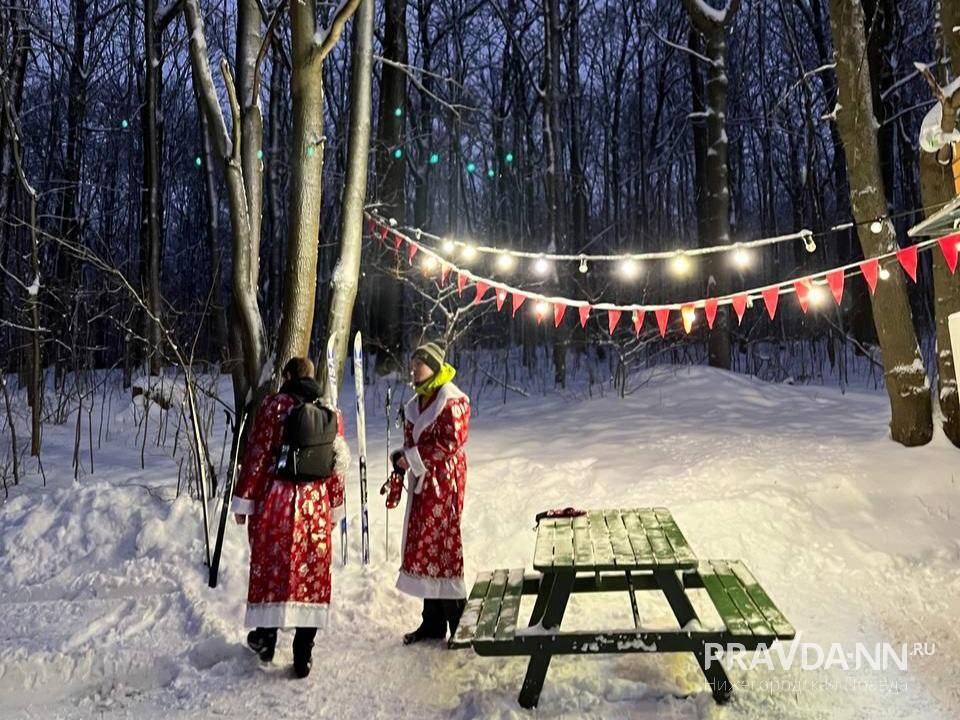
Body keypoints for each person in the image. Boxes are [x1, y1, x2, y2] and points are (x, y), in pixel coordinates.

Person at [231, 357, 348, 677]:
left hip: (277, 501)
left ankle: (266, 638)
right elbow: (338, 465)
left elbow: (257, 454)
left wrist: (244, 501)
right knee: (311, 573)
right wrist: (335, 507)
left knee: (272, 567)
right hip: (315, 504)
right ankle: (303, 650)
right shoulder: (331, 411)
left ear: (287, 376)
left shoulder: (273, 408)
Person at [392, 341, 471, 645]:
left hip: (445, 483)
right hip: (424, 482)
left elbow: (450, 442)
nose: (413, 370)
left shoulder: (453, 400)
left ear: (434, 366)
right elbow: (413, 440)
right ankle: (433, 623)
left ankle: (459, 624)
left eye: (419, 364)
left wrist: (411, 457)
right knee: (426, 546)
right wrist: (403, 459)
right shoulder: (417, 402)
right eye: (412, 364)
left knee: (442, 545)